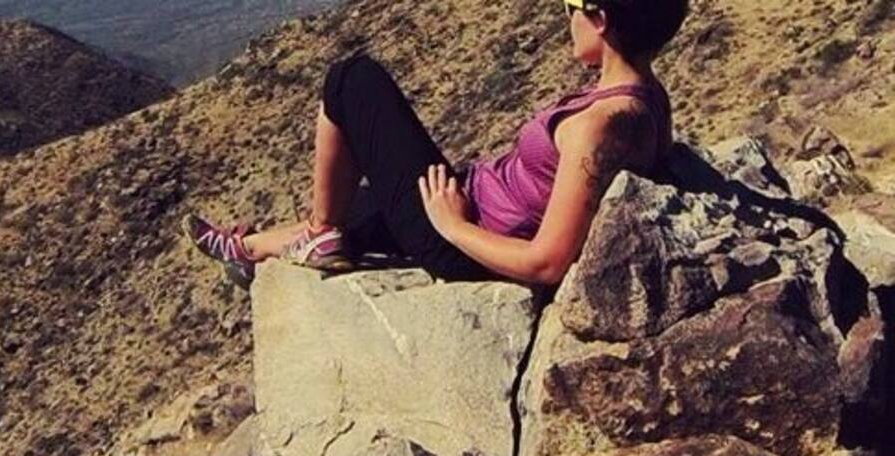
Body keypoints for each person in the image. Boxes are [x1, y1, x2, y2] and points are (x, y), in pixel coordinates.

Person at [187, 0, 689, 286]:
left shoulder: (598, 126)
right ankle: (247, 249)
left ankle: (319, 230)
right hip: (472, 202)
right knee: (361, 209)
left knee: (350, 79)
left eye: (571, 6)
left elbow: (548, 262)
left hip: (466, 238)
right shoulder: (647, 97)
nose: (567, 17)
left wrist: (452, 226)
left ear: (599, 18)